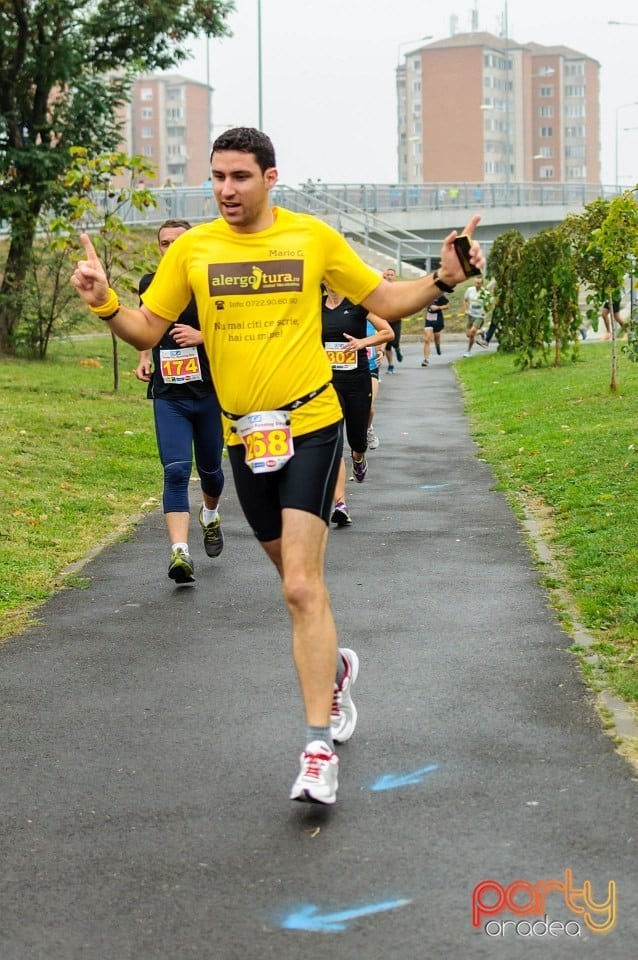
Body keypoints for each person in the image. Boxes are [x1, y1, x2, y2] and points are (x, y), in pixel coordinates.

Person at [71, 126, 484, 806]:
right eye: (217, 177)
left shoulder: (311, 238)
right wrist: (104, 302)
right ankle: (337, 672)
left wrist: (443, 277)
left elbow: (386, 301)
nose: (226, 189)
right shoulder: (196, 250)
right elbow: (148, 327)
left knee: (299, 586)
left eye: (239, 176)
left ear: (270, 177)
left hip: (312, 424)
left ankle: (317, 747)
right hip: (245, 438)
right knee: (296, 586)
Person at [135, 219, 225, 585]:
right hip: (169, 395)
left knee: (211, 473)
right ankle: (180, 552)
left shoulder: (210, 283)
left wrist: (201, 336)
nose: (170, 248)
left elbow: (235, 327)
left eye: (178, 242)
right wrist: (144, 356)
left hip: (208, 393)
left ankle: (210, 513)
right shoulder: (150, 284)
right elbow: (144, 324)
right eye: (163, 243)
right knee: (174, 470)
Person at [321, 284, 393, 527]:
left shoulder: (357, 304)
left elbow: (387, 332)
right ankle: (340, 504)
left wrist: (363, 343)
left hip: (357, 381)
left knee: (357, 441)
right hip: (329, 383)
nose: (329, 283)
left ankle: (359, 457)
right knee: (334, 442)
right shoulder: (315, 308)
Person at [366, 319, 384, 450]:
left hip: (371, 367)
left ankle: (368, 429)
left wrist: (381, 351)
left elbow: (386, 333)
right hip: (348, 370)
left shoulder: (371, 315)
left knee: (369, 405)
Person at [382, 267, 403, 371]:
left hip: (396, 319)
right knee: (387, 345)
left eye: (391, 275)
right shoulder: (382, 288)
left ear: (395, 277)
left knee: (395, 342)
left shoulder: (398, 288)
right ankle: (391, 365)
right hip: (385, 320)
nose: (390, 277)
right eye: (388, 275)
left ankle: (398, 349)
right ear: (385, 276)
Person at [463, 275, 488, 357]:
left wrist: (485, 310)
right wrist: (466, 309)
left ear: (482, 284)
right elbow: (465, 300)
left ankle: (468, 351)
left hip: (479, 316)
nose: (477, 285)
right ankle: (482, 331)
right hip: (471, 315)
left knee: (472, 332)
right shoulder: (469, 290)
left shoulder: (485, 292)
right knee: (469, 335)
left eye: (479, 283)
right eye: (476, 283)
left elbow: (490, 304)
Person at [421, 294, 449, 366]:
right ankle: (426, 360)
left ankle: (437, 346)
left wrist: (438, 307)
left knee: (437, 336)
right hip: (429, 320)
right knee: (427, 339)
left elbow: (447, 306)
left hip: (438, 319)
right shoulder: (427, 295)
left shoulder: (440, 296)